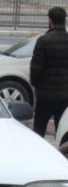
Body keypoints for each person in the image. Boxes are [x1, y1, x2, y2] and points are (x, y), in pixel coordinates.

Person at [30, 6, 68, 137]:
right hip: (64, 95)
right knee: (62, 129)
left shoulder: (43, 41)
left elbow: (35, 68)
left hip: (45, 95)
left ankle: (38, 153)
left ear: (50, 20)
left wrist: (35, 84)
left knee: (39, 128)